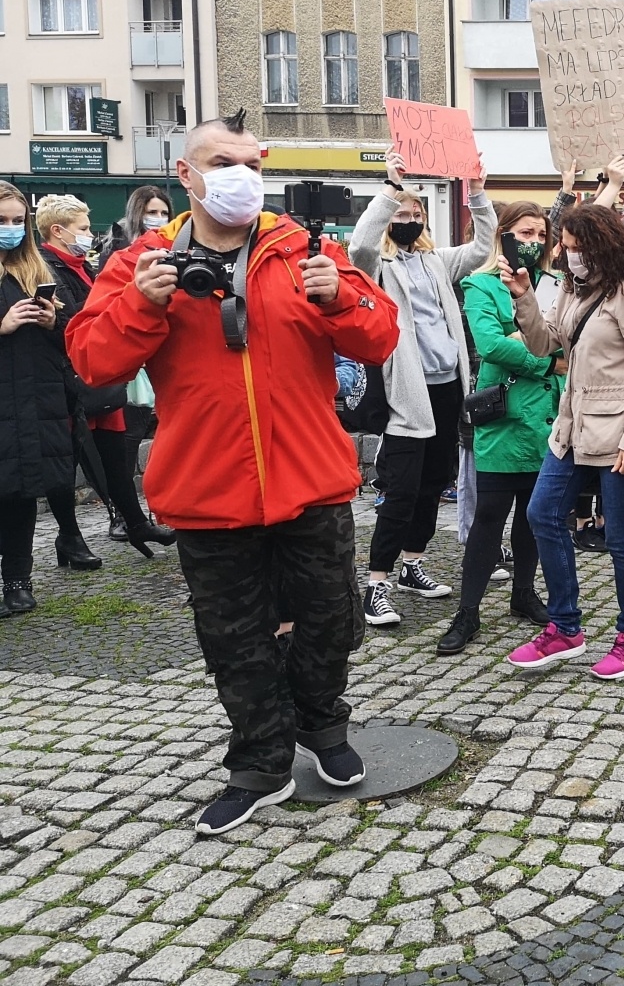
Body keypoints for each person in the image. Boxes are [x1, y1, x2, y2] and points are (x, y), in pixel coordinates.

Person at [66, 112, 400, 834]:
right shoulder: (140, 263)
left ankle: (322, 724)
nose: (241, 175)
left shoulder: (307, 248)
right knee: (234, 636)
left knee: (330, 620)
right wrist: (139, 306)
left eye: (252, 162)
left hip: (310, 480)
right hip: (208, 491)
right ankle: (260, 761)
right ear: (186, 174)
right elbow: (93, 361)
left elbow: (380, 338)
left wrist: (340, 296)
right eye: (222, 161)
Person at [503, 203, 624, 679]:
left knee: (621, 537)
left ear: (601, 245)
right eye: (566, 246)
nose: (568, 255)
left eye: (577, 248)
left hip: (620, 435)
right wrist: (523, 298)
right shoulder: (569, 289)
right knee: (542, 514)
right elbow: (546, 343)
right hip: (572, 429)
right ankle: (565, 627)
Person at [350, 149, 495, 627]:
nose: (408, 220)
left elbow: (482, 247)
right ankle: (376, 584)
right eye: (401, 214)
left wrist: (476, 192)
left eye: (415, 214)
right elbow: (360, 247)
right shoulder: (378, 268)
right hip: (405, 395)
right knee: (402, 490)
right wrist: (389, 191)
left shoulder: (436, 261)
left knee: (434, 486)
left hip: (447, 390)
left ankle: (413, 564)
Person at [437, 203, 564, 656]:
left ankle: (523, 592)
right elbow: (491, 345)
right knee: (489, 518)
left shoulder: (555, 285)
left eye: (540, 234)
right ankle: (467, 612)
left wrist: (533, 348)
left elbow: (566, 339)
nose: (532, 241)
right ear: (503, 235)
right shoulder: (480, 283)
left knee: (534, 515)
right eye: (524, 232)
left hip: (547, 417)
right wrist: (545, 359)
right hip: (504, 417)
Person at [37, 195, 175, 567]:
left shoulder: (83, 266)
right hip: (68, 380)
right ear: (58, 231)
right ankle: (71, 536)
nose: (87, 235)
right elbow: (77, 327)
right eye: (83, 229)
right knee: (67, 463)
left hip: (95, 384)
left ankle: (133, 521)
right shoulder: (47, 269)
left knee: (116, 457)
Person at [0, 185, 73, 617]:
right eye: (2, 220)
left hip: (32, 400)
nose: (10, 229)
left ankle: (19, 581)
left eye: (16, 221)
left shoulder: (37, 268)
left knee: (22, 492)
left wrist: (52, 321)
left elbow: (73, 337)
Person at [98, 185, 173, 263]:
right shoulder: (114, 246)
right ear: (137, 214)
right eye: (152, 212)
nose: (160, 217)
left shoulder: (173, 242)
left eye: (164, 213)